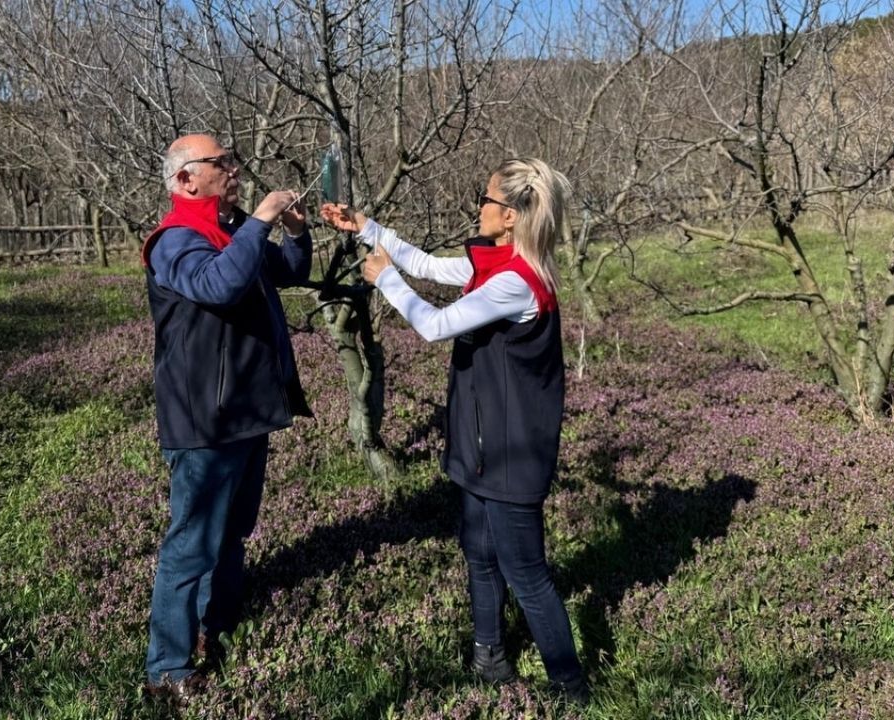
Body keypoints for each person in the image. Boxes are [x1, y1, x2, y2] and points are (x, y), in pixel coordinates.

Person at [320, 158, 589, 704]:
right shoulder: (494, 266)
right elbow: (426, 264)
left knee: (526, 572)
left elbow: (434, 326)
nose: (479, 207)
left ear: (510, 216)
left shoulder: (516, 282)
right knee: (478, 552)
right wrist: (365, 228)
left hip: (511, 454)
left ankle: (572, 689)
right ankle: (489, 657)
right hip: (480, 444)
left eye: (485, 199)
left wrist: (384, 279)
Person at [141, 133, 313, 704]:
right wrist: (261, 218)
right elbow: (217, 284)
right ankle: (166, 668)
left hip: (246, 411)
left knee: (233, 532)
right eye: (223, 162)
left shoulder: (236, 226)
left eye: (233, 160)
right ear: (187, 178)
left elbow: (288, 270)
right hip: (204, 420)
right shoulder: (174, 242)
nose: (235, 169)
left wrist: (293, 228)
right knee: (191, 544)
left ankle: (218, 627)